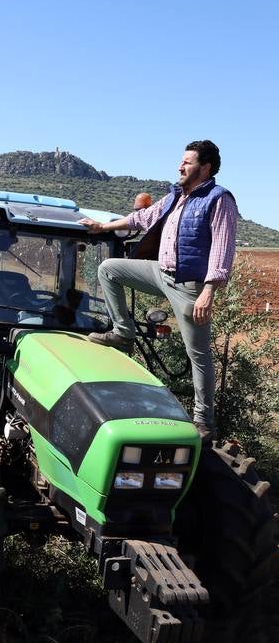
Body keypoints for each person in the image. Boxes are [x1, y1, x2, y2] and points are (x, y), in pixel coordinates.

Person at [79, 140, 238, 445]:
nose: (180, 167)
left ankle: (204, 422)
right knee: (109, 269)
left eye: (187, 162)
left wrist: (208, 292)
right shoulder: (175, 197)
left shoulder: (219, 200)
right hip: (160, 273)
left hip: (190, 285)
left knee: (199, 355)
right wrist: (102, 226)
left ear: (204, 168)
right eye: (181, 161)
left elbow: (222, 248)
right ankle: (124, 333)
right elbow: (141, 218)